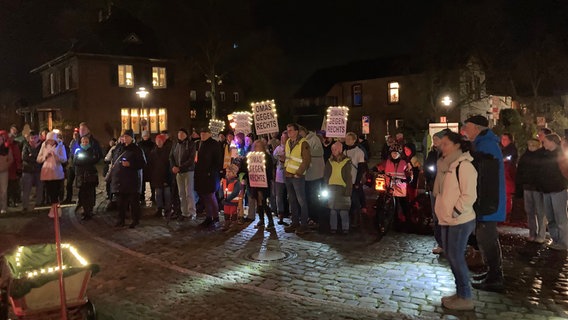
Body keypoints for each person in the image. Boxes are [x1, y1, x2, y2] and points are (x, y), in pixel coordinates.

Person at [433, 131, 477, 311]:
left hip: (459, 220)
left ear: (456, 145)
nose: (441, 147)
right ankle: (460, 292)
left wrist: (455, 211)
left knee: (456, 257)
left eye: (445, 144)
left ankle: (465, 296)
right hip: (446, 219)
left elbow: (469, 195)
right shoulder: (446, 165)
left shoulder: (464, 166)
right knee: (451, 257)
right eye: (441, 144)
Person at [462, 115, 506, 292]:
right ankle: (492, 273)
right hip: (486, 201)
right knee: (486, 238)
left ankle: (495, 277)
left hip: (488, 202)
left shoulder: (486, 146)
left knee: (487, 239)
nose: (465, 130)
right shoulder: (483, 144)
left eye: (468, 126)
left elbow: (485, 177)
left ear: (477, 128)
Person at [110, 129, 146, 228]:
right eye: (123, 136)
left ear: (132, 138)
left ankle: (135, 220)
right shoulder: (119, 148)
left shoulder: (137, 149)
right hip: (120, 180)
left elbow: (142, 163)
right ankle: (121, 220)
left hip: (132, 180)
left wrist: (130, 164)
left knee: (133, 202)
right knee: (120, 202)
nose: (124, 139)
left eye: (127, 137)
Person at [538, 133, 568, 250]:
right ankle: (556, 240)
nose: (543, 143)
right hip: (546, 189)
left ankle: (564, 242)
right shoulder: (545, 154)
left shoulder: (560, 154)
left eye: (545, 141)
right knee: (551, 218)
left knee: (560, 217)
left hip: (558, 189)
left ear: (552, 142)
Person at [283, 123, 311, 235]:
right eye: (287, 130)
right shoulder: (288, 142)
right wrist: (285, 169)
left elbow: (306, 160)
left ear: (296, 131)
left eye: (290, 130)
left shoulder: (303, 143)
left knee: (301, 201)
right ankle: (295, 222)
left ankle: (304, 224)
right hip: (288, 175)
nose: (288, 132)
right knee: (292, 200)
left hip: (297, 177)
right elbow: (288, 158)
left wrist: (299, 173)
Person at [516, 138, 545, 243]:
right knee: (529, 211)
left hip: (537, 188)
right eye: (530, 144)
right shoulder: (525, 156)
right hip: (527, 187)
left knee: (540, 212)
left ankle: (541, 234)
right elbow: (520, 172)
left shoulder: (541, 156)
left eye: (533, 145)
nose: (531, 146)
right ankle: (532, 233)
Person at [424, 129, 448, 254]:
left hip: (446, 188)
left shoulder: (447, 152)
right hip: (434, 187)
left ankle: (449, 243)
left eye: (437, 139)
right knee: (437, 216)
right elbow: (428, 167)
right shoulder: (432, 153)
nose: (435, 142)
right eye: (434, 140)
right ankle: (441, 243)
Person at [195, 127, 223, 227]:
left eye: (204, 133)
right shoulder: (200, 144)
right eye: (201, 133)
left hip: (211, 175)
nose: (202, 135)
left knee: (211, 196)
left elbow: (218, 160)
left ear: (209, 134)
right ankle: (208, 216)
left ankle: (215, 217)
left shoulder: (214, 144)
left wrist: (211, 172)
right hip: (201, 174)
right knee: (205, 196)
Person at [36, 131, 67, 218]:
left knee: (56, 192)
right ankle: (55, 210)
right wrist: (45, 156)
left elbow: (64, 159)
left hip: (57, 172)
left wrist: (56, 156)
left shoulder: (61, 146)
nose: (50, 142)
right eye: (48, 140)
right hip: (47, 172)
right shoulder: (43, 146)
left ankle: (56, 210)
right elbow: (38, 159)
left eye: (51, 140)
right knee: (50, 192)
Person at [324, 141, 352, 234]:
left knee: (343, 210)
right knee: (333, 210)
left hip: (342, 188)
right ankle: (333, 228)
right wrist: (326, 186)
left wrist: (348, 191)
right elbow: (326, 175)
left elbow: (349, 177)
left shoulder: (346, 161)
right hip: (332, 188)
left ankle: (345, 228)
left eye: (335, 149)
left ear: (340, 150)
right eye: (332, 149)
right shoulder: (330, 161)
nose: (333, 151)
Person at [299, 126, 325, 228]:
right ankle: (309, 216)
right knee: (307, 197)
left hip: (315, 174)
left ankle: (315, 219)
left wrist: (305, 152)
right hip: (306, 174)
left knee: (313, 197)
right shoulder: (301, 141)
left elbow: (319, 152)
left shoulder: (314, 139)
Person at [170, 128, 197, 220]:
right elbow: (171, 156)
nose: (180, 135)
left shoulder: (190, 144)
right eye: (179, 133)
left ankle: (191, 212)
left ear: (186, 135)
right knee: (181, 193)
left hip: (188, 170)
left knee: (188, 192)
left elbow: (191, 159)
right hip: (178, 172)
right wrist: (173, 166)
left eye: (182, 133)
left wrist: (180, 167)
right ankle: (184, 212)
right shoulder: (175, 144)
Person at [343, 132, 367, 228]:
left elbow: (361, 168)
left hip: (354, 180)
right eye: (346, 139)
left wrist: (357, 182)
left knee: (355, 200)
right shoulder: (344, 151)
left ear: (354, 140)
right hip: (346, 180)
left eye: (349, 139)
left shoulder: (358, 152)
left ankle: (356, 219)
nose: (347, 141)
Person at [73, 136, 99, 220]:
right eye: (83, 141)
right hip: (82, 176)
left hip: (90, 176)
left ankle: (90, 210)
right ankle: (85, 210)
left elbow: (95, 159)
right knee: (83, 194)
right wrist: (87, 160)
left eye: (86, 142)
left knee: (90, 194)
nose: (84, 143)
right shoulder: (78, 151)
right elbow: (76, 161)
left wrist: (86, 159)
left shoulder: (92, 150)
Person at [149, 134, 172, 217]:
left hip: (166, 175)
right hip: (157, 176)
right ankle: (159, 208)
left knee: (167, 194)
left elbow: (170, 164)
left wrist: (169, 176)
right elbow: (150, 164)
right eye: (157, 140)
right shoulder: (153, 152)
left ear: (163, 141)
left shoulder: (168, 151)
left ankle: (168, 209)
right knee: (158, 194)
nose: (158, 142)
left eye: (160, 140)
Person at [21, 131, 43, 212]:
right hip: (27, 170)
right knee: (26, 189)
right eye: (32, 138)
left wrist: (32, 155)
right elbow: (24, 157)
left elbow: (41, 157)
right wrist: (35, 158)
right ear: (29, 138)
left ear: (38, 137)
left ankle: (38, 204)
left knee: (39, 188)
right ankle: (25, 206)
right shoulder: (26, 145)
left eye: (35, 137)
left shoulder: (41, 145)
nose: (33, 139)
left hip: (38, 170)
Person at [273, 130, 289, 225]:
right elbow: (274, 158)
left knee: (290, 196)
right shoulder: (278, 148)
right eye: (282, 138)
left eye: (285, 138)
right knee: (279, 196)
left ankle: (291, 213)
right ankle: (281, 214)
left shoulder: (291, 148)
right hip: (279, 175)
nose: (283, 140)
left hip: (289, 175)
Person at [501, 133, 518, 219]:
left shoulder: (511, 149)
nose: (503, 141)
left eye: (505, 139)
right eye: (502, 139)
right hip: (505, 176)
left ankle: (507, 214)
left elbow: (507, 159)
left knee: (507, 196)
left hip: (507, 176)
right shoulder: (503, 149)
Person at [221, 164, 241, 231]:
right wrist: (221, 198)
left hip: (233, 201)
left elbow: (235, 193)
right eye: (227, 171)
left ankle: (234, 224)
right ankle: (227, 222)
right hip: (226, 201)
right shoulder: (224, 181)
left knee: (233, 212)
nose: (227, 173)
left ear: (234, 173)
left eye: (229, 172)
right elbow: (221, 189)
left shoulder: (236, 182)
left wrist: (228, 199)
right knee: (226, 212)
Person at [4, 131, 22, 208]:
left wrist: (18, 168)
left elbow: (17, 157)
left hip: (13, 169)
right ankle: (8, 201)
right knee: (7, 187)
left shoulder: (15, 146)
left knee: (13, 187)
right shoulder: (6, 146)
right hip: (7, 168)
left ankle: (13, 201)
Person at [138, 130, 155, 204]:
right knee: (142, 182)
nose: (145, 137)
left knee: (152, 182)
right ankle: (142, 195)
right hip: (143, 165)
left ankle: (153, 195)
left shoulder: (152, 144)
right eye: (144, 136)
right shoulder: (140, 144)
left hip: (151, 165)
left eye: (146, 135)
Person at [64, 129, 81, 204]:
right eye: (74, 134)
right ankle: (68, 198)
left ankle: (80, 200)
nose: (75, 136)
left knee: (79, 183)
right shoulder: (72, 142)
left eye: (76, 134)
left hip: (77, 165)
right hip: (71, 165)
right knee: (69, 183)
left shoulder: (80, 142)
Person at [0, 133, 14, 214]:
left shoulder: (7, 149)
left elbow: (11, 159)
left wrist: (5, 166)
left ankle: (3, 207)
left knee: (3, 190)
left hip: (4, 172)